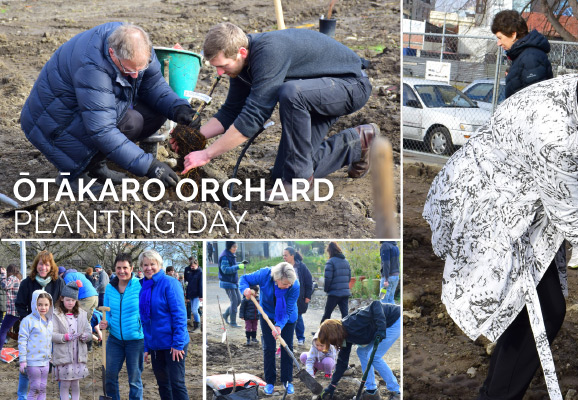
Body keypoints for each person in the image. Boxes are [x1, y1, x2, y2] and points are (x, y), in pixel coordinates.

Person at [421, 41, 578, 399]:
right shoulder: (557, 129)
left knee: (537, 309)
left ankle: (496, 393)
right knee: (542, 309)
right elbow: (574, 220)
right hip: (484, 204)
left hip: (526, 201)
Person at [178, 22, 380, 205]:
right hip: (314, 95)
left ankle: (299, 181)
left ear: (241, 52)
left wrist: (207, 154)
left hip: (350, 85)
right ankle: (358, 142)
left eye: (223, 66)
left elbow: (253, 117)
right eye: (216, 67)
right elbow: (231, 111)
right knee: (281, 176)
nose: (220, 73)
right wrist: (195, 137)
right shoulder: (240, 67)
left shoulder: (268, 53)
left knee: (290, 93)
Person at [19, 22, 188, 191]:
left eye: (141, 68)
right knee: (130, 122)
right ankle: (73, 175)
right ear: (112, 53)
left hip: (84, 111)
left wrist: (178, 108)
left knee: (155, 112)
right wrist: (149, 166)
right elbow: (102, 130)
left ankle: (95, 166)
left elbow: (154, 86)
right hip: (54, 122)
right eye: (130, 70)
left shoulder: (139, 49)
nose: (136, 75)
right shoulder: (92, 67)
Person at [319, 301, 401, 400]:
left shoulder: (353, 321)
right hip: (384, 325)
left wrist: (381, 328)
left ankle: (396, 392)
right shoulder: (344, 337)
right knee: (362, 352)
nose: (334, 344)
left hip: (394, 320)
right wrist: (332, 385)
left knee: (374, 356)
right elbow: (342, 362)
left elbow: (375, 304)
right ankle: (371, 391)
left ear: (334, 334)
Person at [240, 262, 300, 395]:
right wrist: (244, 289)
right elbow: (243, 279)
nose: (288, 286)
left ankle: (287, 381)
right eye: (285, 284)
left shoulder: (294, 284)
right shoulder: (264, 274)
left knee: (286, 347)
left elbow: (289, 309)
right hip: (267, 314)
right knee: (268, 348)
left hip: (287, 317)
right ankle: (270, 382)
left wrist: (279, 325)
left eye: (289, 283)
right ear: (276, 279)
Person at [139, 250, 190, 400]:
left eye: (152, 264)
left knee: (177, 383)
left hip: (173, 344)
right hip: (156, 345)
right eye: (145, 265)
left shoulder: (170, 283)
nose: (149, 268)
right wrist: (146, 346)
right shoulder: (144, 287)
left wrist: (178, 343)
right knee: (163, 384)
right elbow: (145, 320)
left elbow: (180, 315)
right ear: (141, 267)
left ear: (159, 265)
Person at [15, 251, 65, 400]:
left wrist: (56, 321)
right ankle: (22, 396)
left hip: (52, 328)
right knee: (27, 366)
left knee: (58, 363)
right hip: (33, 331)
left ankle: (64, 394)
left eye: (47, 264)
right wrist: (30, 321)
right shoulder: (27, 283)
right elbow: (20, 304)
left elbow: (63, 304)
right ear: (36, 265)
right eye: (41, 264)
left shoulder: (58, 283)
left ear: (51, 266)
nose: (43, 267)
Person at [100, 253, 145, 400]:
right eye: (118, 268)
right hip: (115, 339)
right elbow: (107, 313)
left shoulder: (140, 286)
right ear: (114, 269)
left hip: (135, 339)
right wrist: (105, 323)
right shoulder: (109, 288)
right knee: (110, 375)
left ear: (131, 268)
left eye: (125, 267)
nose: (122, 271)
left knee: (134, 379)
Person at [491, 10, 552, 99]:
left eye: (500, 38)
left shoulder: (530, 57)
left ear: (513, 35)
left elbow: (536, 99)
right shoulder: (522, 55)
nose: (498, 43)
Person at [50, 280, 93, 400]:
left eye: (73, 300)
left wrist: (86, 336)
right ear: (62, 299)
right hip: (64, 356)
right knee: (65, 384)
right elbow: (51, 334)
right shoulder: (56, 315)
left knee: (75, 383)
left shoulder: (82, 315)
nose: (70, 303)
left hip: (77, 357)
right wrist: (64, 337)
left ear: (76, 301)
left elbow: (89, 332)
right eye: (68, 300)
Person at [19, 290, 53, 400]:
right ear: (34, 304)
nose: (43, 307)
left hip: (45, 361)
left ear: (50, 305)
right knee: (35, 388)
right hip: (32, 361)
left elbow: (49, 340)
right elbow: (22, 341)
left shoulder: (50, 321)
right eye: (40, 304)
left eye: (46, 305)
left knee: (43, 387)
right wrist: (23, 360)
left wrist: (51, 356)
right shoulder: (28, 321)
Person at [284, 248, 314, 346]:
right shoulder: (283, 267)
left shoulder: (301, 267)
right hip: (287, 296)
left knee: (298, 316)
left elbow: (309, 281)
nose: (284, 257)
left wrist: (307, 296)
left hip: (299, 296)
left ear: (292, 255)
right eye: (283, 256)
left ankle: (300, 338)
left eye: (286, 255)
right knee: (287, 316)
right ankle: (287, 338)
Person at [322, 242, 351, 322]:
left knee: (327, 314)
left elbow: (328, 278)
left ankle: (320, 332)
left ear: (330, 251)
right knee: (345, 316)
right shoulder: (346, 261)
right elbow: (349, 277)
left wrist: (326, 290)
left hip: (334, 293)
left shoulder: (330, 261)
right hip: (345, 293)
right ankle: (348, 333)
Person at [218, 241, 245, 328]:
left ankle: (225, 315)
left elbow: (232, 264)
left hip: (233, 282)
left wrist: (240, 264)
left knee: (238, 301)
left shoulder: (230, 254)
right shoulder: (225, 256)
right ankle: (233, 322)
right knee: (234, 301)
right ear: (229, 247)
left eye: (236, 247)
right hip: (227, 282)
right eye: (234, 247)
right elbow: (225, 270)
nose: (235, 249)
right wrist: (238, 267)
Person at [0, 264, 21, 346]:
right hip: (14, 310)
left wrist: (3, 274)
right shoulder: (17, 278)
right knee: (5, 330)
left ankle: (0, 349)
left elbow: (4, 285)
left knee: (3, 330)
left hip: (13, 311)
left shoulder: (12, 278)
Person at [183, 257, 203, 333]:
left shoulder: (200, 272)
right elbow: (188, 284)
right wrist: (187, 296)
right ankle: (195, 326)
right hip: (191, 294)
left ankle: (198, 326)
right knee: (193, 310)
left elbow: (201, 284)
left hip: (197, 294)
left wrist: (201, 296)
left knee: (194, 310)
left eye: (193, 266)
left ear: (197, 265)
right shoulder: (190, 272)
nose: (191, 268)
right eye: (191, 266)